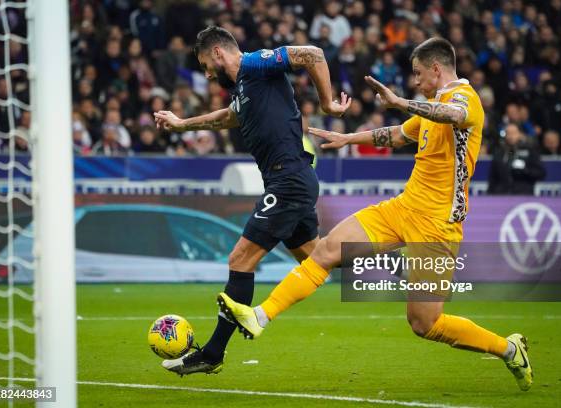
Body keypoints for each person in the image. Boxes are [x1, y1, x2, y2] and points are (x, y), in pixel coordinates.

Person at [219, 37, 533, 392]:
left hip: (437, 226)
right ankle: (260, 315)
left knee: (424, 323)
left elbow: (455, 116)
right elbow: (397, 135)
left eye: (418, 74)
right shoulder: (431, 103)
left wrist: (400, 102)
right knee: (326, 251)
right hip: (402, 208)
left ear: (436, 68)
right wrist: (349, 138)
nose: (415, 81)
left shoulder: (465, 100)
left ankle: (509, 349)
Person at [154, 26, 350, 375]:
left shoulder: (256, 64)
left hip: (288, 180)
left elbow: (312, 55)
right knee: (320, 260)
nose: (207, 73)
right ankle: (398, 257)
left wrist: (327, 103)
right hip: (291, 179)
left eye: (205, 64)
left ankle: (212, 354)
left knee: (240, 258)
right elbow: (229, 116)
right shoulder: (246, 88)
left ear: (217, 53)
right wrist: (183, 125)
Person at [488, 122, 545, 195]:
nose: (511, 136)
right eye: (508, 133)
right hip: (502, 196)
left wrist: (525, 170)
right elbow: (492, 178)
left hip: (523, 196)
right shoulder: (499, 153)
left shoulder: (530, 151)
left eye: (514, 133)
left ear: (520, 134)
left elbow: (541, 173)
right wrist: (490, 194)